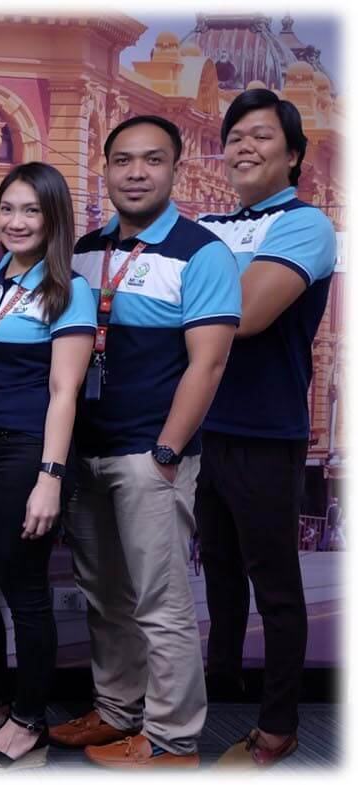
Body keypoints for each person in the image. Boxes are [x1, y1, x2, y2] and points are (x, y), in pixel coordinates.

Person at [55, 115, 240, 769]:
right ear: (105, 169)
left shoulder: (202, 252)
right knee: (104, 593)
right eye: (124, 160)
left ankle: (172, 739)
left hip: (149, 456)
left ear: (175, 170)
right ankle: (116, 710)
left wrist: (166, 451)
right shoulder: (83, 250)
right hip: (88, 452)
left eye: (153, 160)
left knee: (160, 603)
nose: (137, 172)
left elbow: (208, 364)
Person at [194, 88, 336, 769]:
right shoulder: (207, 223)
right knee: (218, 580)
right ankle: (217, 702)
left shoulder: (307, 224)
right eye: (235, 136)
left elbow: (246, 315)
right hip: (201, 427)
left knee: (274, 586)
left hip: (265, 429)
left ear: (295, 156)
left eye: (262, 136)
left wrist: (190, 288)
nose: (244, 146)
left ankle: (279, 727)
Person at [0, 163, 96, 770]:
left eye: (31, 210)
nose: (16, 221)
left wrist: (49, 478)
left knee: (23, 587)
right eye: (8, 208)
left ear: (54, 218)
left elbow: (65, 391)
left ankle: (30, 719)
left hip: (29, 449)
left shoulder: (68, 290)